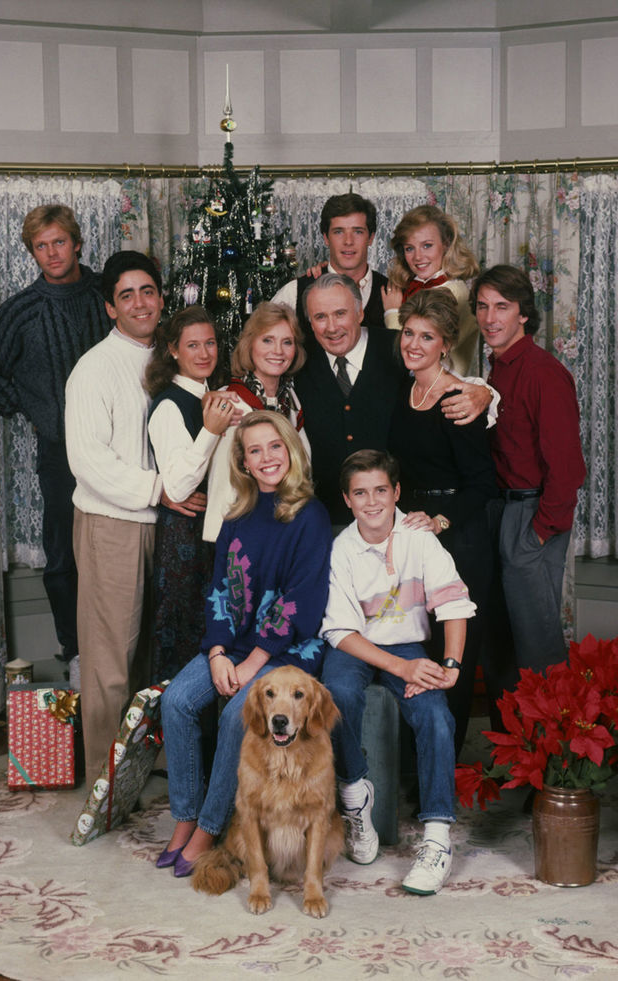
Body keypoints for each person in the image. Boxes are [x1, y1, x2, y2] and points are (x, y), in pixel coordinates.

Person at [157, 410, 332, 877]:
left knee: (241, 714)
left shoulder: (310, 515)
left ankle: (209, 827)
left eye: (274, 446)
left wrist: (254, 663)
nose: (267, 457)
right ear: (243, 462)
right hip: (233, 645)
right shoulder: (237, 514)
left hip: (287, 651)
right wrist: (217, 653)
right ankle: (185, 815)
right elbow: (219, 591)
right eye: (255, 450)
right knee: (175, 701)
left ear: (290, 449)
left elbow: (301, 603)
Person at [65, 250, 200, 788]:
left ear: (162, 297)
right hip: (113, 523)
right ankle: (107, 781)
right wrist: (158, 490)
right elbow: (89, 461)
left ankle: (144, 763)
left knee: (152, 653)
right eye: (127, 295)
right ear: (109, 307)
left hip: (165, 524)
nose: (141, 303)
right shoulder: (94, 368)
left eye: (148, 291)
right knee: (111, 659)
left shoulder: (169, 359)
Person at [320, 449, 475, 895]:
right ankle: (355, 795)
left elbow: (453, 603)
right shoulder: (342, 549)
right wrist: (400, 667)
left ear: (397, 492)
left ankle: (437, 835)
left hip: (407, 642)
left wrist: (450, 666)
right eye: (360, 493)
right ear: (347, 500)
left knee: (435, 716)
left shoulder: (419, 538)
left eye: (381, 491)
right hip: (357, 645)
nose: (372, 503)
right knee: (338, 695)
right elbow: (340, 632)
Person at [0, 204, 110, 687]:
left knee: (124, 549)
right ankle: (75, 651)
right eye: (41, 246)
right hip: (60, 453)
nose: (52, 253)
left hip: (120, 448)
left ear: (77, 242)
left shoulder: (109, 294)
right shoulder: (22, 309)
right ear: (32, 252)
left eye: (59, 242)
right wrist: (29, 407)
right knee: (64, 556)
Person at [388, 289, 498, 755]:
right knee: (421, 650)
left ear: (445, 343)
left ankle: (443, 767)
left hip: (459, 537)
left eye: (426, 337)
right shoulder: (406, 390)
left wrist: (440, 520)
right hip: (416, 532)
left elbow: (483, 483)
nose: (414, 344)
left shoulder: (457, 399)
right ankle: (418, 763)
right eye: (408, 333)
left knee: (454, 653)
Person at [293, 273, 493, 527]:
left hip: (396, 522)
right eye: (320, 317)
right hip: (327, 520)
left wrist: (485, 392)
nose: (332, 327)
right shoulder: (298, 362)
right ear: (310, 323)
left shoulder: (397, 349)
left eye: (340, 313)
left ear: (360, 313)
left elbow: (440, 379)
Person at [473, 265, 586, 704]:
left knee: (537, 648)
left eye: (502, 307)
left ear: (523, 314)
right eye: (482, 307)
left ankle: (557, 762)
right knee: (500, 643)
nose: (490, 317)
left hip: (530, 516)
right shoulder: (494, 369)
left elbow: (567, 467)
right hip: (499, 511)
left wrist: (539, 532)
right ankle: (513, 757)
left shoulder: (542, 372)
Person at [145, 305, 233, 682]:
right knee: (183, 638)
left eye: (210, 343)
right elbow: (178, 486)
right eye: (193, 345)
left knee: (214, 634)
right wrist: (211, 431)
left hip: (211, 534)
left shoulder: (212, 395)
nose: (204, 353)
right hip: (183, 541)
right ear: (173, 351)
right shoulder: (169, 405)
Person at [203, 301, 310, 542]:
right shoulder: (230, 403)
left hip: (284, 534)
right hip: (241, 539)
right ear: (249, 344)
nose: (278, 351)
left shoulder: (291, 401)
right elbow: (224, 487)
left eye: (287, 342)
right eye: (267, 340)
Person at [272, 193, 387, 341]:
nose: (348, 241)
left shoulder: (392, 293)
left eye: (358, 231)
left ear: (371, 237)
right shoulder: (293, 293)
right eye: (338, 232)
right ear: (326, 238)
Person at [381, 205, 480, 376]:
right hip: (416, 388)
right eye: (409, 248)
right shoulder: (407, 287)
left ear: (446, 244)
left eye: (427, 245)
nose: (418, 257)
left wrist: (391, 313)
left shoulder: (457, 293)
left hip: (445, 389)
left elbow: (420, 353)